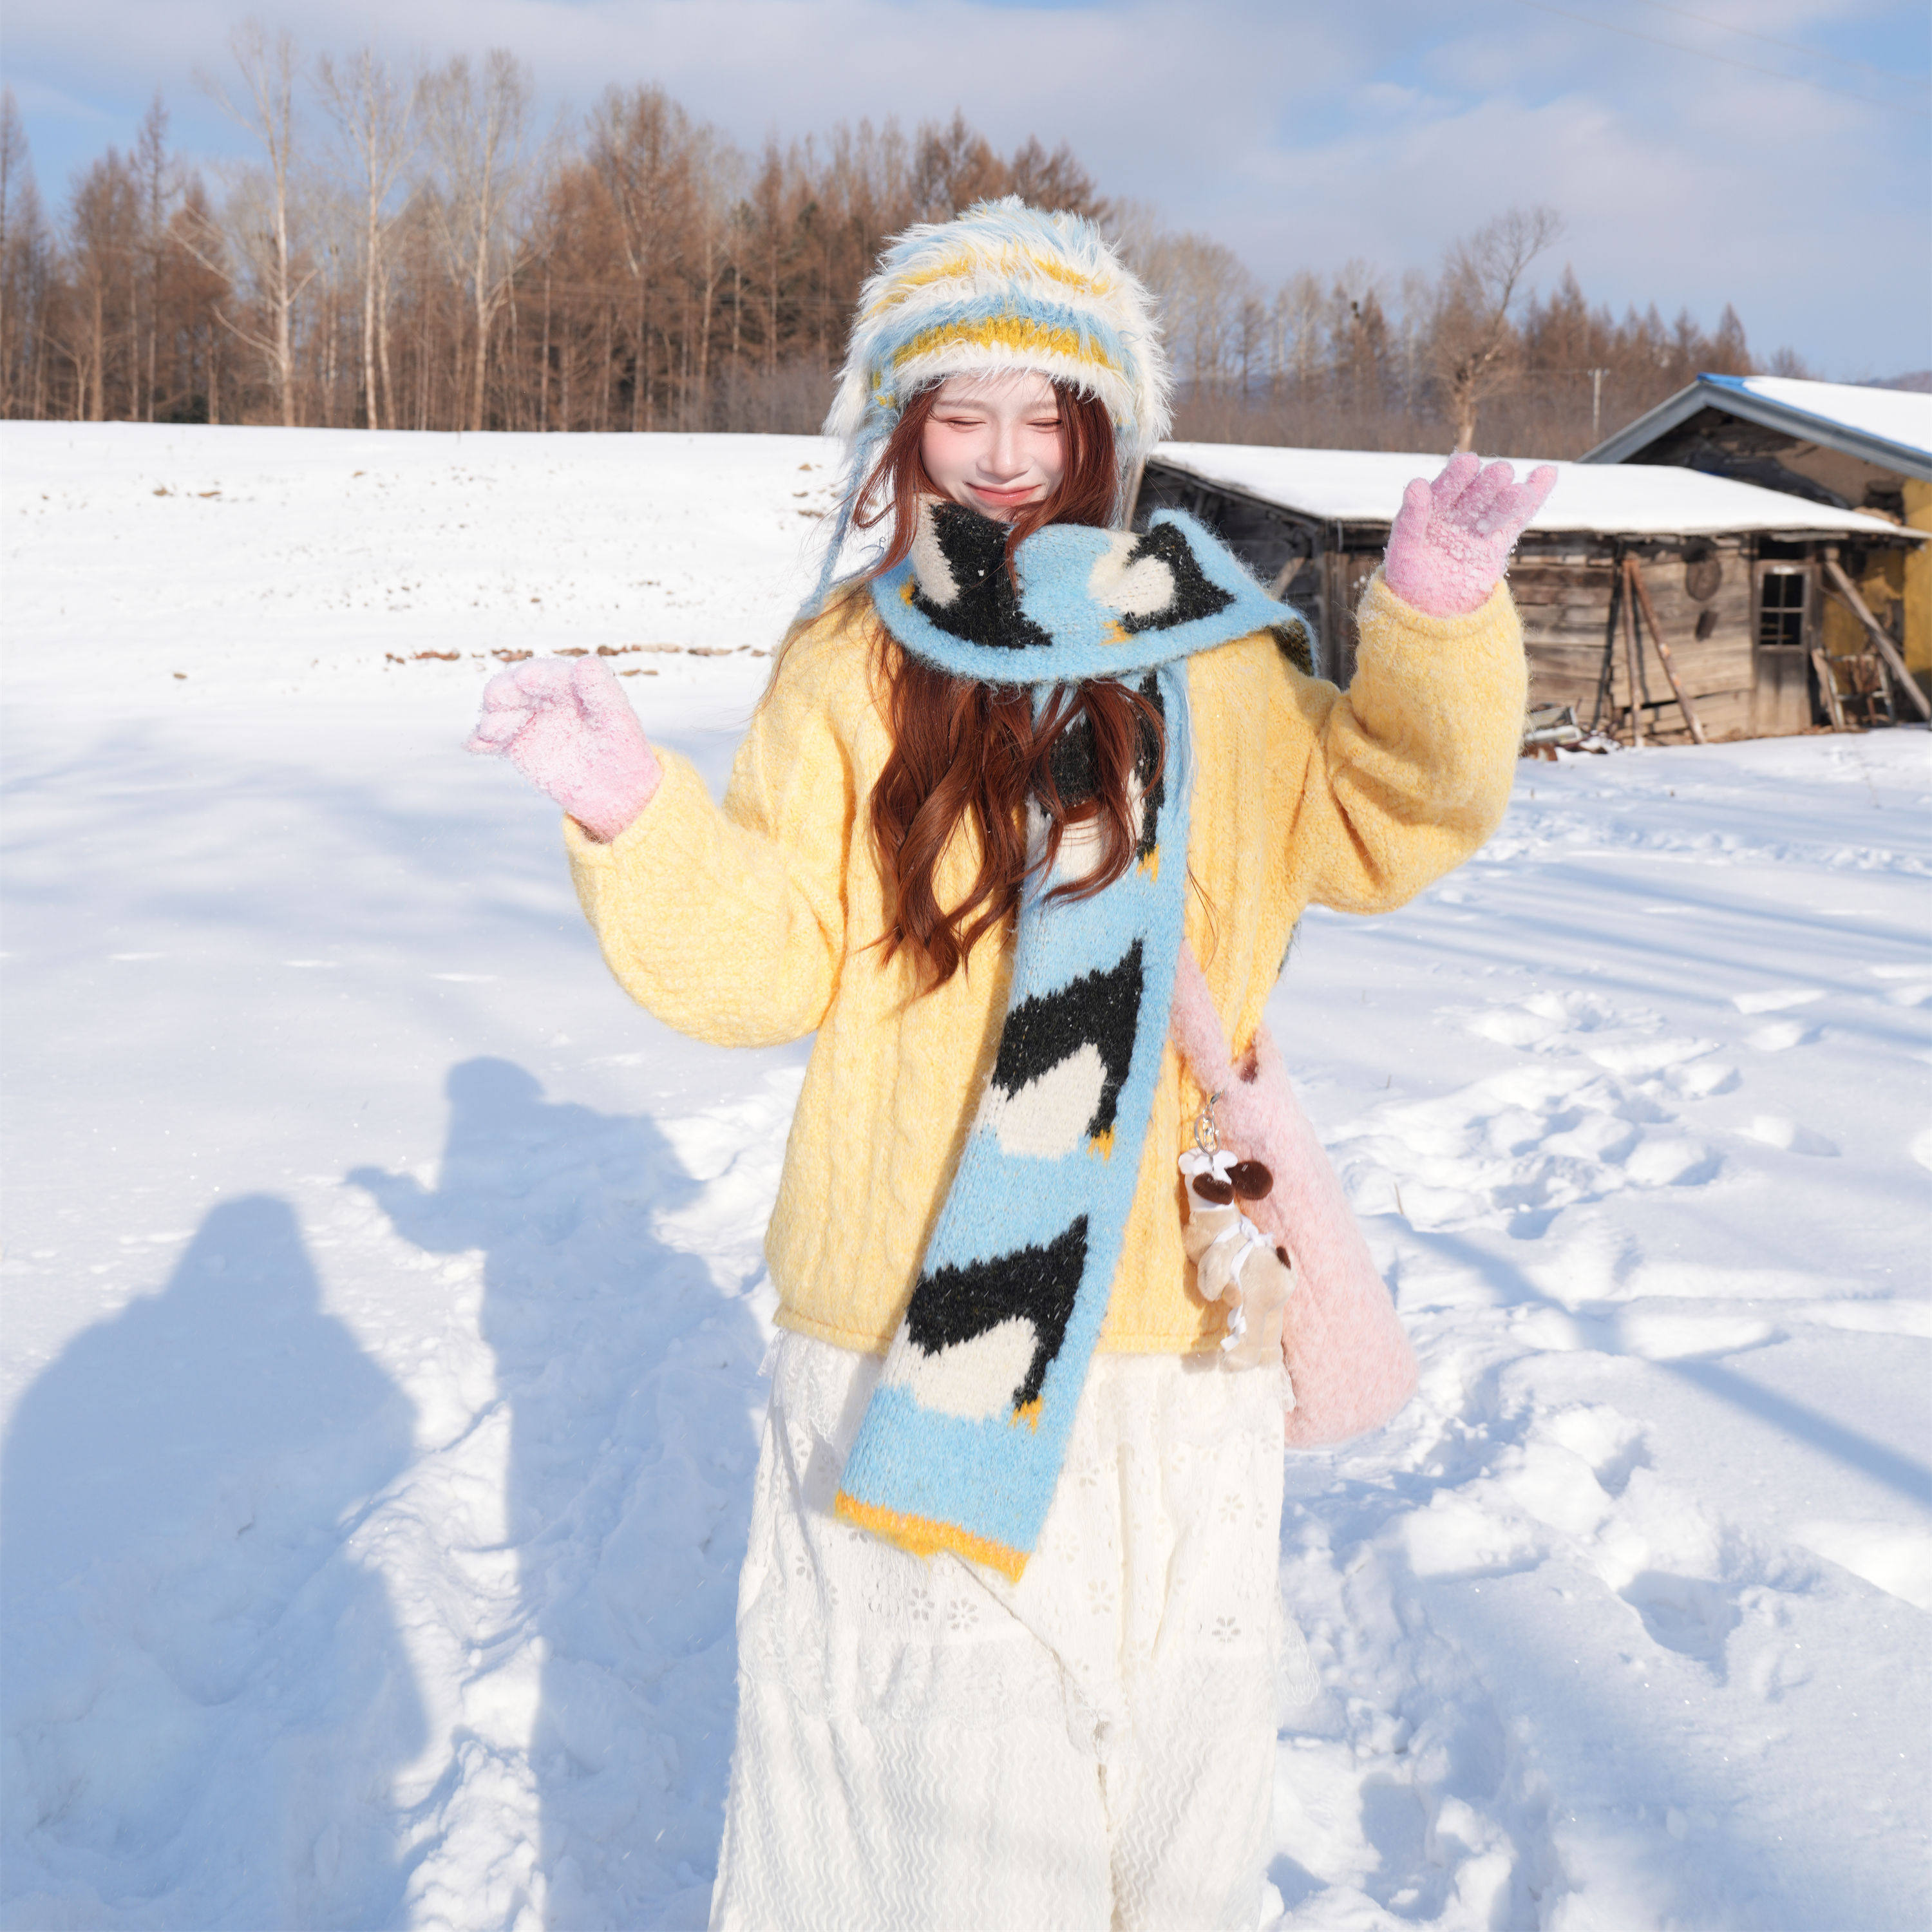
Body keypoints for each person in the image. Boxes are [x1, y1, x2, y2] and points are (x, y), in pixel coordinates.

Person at [468, 198, 1554, 1932]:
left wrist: (1434, 613)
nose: (1001, 452)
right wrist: (633, 812)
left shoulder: (1212, 640)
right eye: (959, 409)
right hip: (904, 1332)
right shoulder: (853, 655)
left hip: (1170, 1337)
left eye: (1045, 411)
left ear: (1106, 429)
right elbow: (768, 962)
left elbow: (1381, 824)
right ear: (898, 425)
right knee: (920, 1822)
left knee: (1162, 1797)